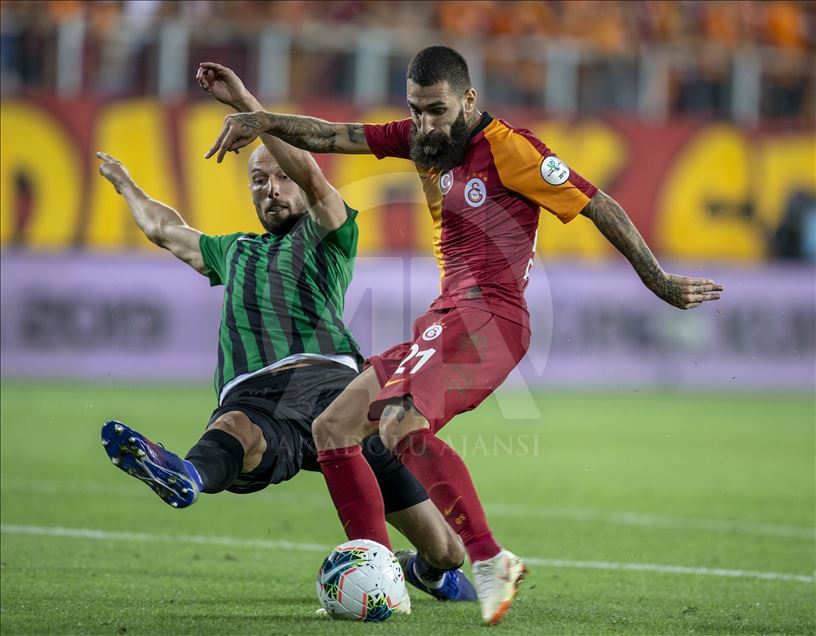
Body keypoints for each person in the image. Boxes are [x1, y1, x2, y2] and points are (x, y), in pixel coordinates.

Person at [205, 45, 723, 625]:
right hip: (446, 316)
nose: (426, 124)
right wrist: (258, 115)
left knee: (400, 422)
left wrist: (657, 279)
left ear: (469, 99)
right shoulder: (420, 140)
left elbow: (599, 205)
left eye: (438, 111)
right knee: (333, 426)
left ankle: (490, 559)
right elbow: (328, 136)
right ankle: (381, 578)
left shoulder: (510, 149)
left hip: (490, 319)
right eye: (416, 109)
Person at [97, 61, 477, 609]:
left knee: (447, 551)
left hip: (338, 391)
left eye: (280, 177)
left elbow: (314, 177)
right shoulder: (232, 251)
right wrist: (126, 184)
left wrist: (247, 106)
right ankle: (183, 474)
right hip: (257, 394)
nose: (271, 189)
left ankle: (428, 572)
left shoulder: (329, 233)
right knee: (235, 429)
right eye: (258, 181)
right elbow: (164, 228)